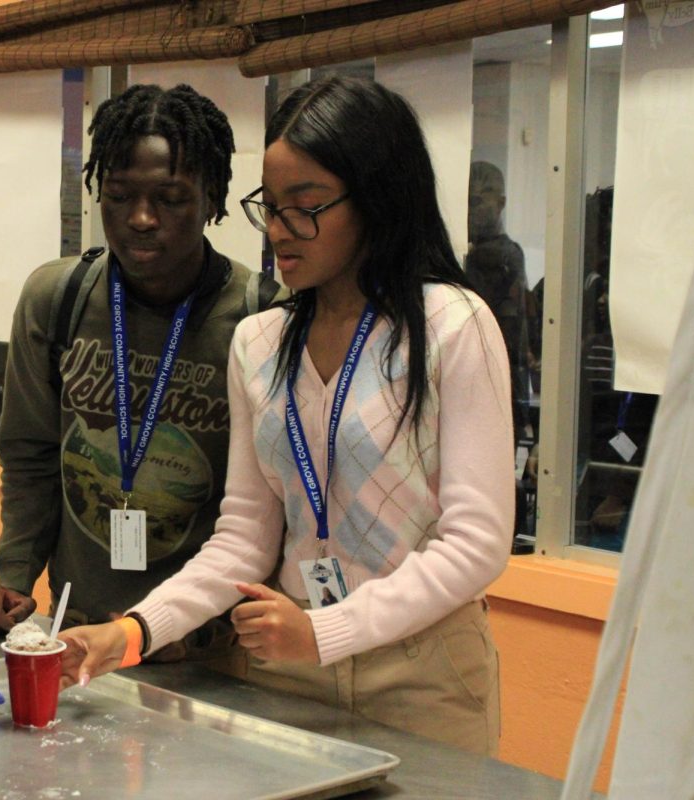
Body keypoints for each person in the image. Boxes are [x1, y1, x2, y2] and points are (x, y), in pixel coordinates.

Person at [59, 76, 514, 756]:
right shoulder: (262, 341)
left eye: (303, 208)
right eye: (268, 208)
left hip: (424, 674)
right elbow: (244, 537)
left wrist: (330, 630)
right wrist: (132, 631)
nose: (277, 232)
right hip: (286, 663)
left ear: (377, 199)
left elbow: (477, 541)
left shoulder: (454, 325)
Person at [0, 84, 278, 662]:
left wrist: (193, 625)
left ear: (211, 199)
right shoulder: (56, 299)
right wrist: (13, 575)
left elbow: (273, 508)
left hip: (208, 648)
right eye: (119, 196)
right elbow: (30, 453)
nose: (141, 218)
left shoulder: (261, 319)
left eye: (170, 197)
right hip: (79, 634)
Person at [464, 160, 533, 441]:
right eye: (469, 199)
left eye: (481, 198)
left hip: (495, 380)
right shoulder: (464, 254)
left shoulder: (506, 256)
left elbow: (514, 340)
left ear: (501, 202)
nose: (474, 207)